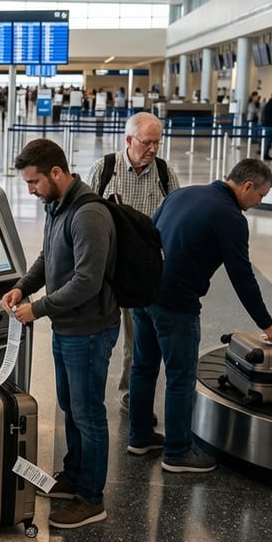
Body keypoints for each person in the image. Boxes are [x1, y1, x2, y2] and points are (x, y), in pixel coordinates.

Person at [129, 159, 272, 474]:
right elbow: (242, 275)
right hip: (176, 303)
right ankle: (177, 453)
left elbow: (149, 232)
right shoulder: (230, 217)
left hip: (143, 293)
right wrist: (267, 323)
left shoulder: (183, 193)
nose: (259, 203)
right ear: (248, 186)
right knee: (180, 378)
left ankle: (140, 436)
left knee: (143, 367)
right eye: (260, 196)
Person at [1, 138, 118, 529]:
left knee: (88, 412)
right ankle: (74, 475)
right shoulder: (57, 205)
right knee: (70, 404)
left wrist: (40, 307)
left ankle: (91, 498)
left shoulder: (87, 214)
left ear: (56, 172)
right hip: (69, 326)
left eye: (34, 182)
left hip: (88, 329)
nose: (30, 191)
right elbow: (48, 256)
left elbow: (87, 280)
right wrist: (24, 286)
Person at [84, 113, 180, 415]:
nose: (152, 149)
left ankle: (130, 393)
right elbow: (84, 214)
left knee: (136, 338)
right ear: (129, 140)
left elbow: (176, 216)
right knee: (97, 336)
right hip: (108, 268)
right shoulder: (106, 169)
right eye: (146, 142)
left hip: (144, 271)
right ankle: (89, 396)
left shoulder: (164, 173)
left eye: (157, 143)